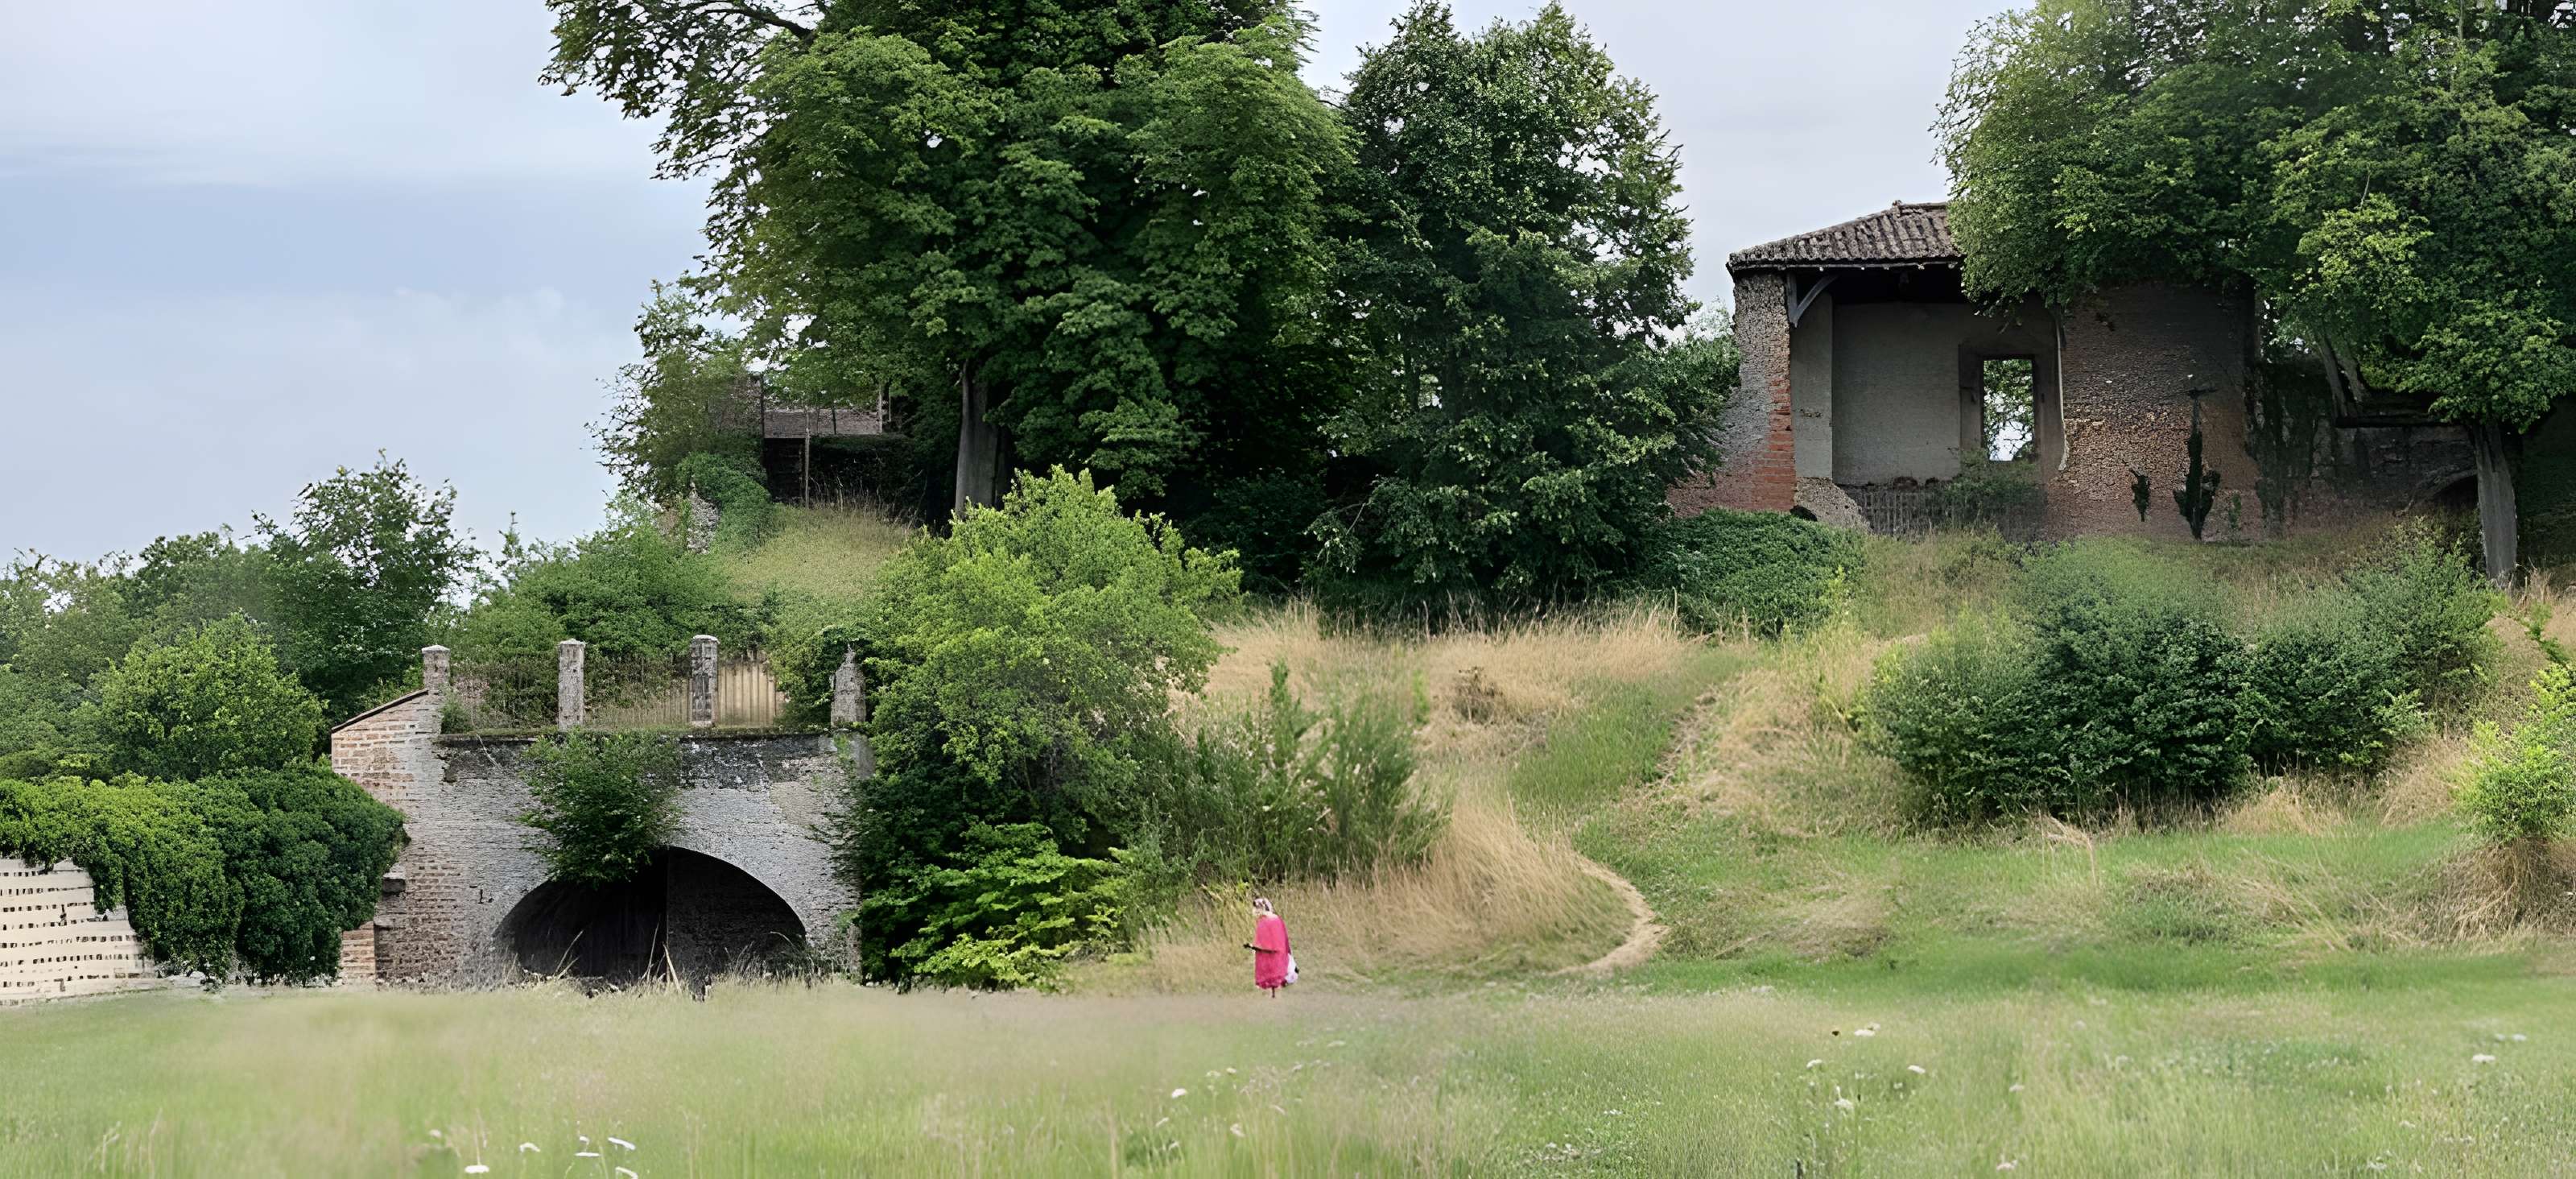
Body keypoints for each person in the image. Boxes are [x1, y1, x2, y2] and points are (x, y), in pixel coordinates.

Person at [1246, 897, 1290, 996]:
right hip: (1279, 955)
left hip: (1267, 958)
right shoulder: (1277, 919)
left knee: (1267, 985)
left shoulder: (1263, 922)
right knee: (1277, 982)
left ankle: (1270, 1002)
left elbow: (1262, 944)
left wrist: (1252, 947)